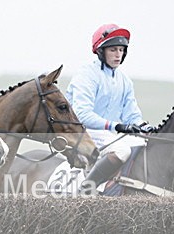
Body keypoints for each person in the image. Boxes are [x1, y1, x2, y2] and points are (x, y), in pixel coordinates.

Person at [65, 23, 156, 189]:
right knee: (122, 151)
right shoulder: (87, 74)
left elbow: (132, 117)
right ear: (101, 51)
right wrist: (117, 125)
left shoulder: (125, 81)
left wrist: (146, 128)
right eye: (113, 50)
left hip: (110, 134)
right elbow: (82, 114)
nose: (118, 55)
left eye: (121, 50)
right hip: (84, 132)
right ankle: (86, 188)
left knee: (146, 145)